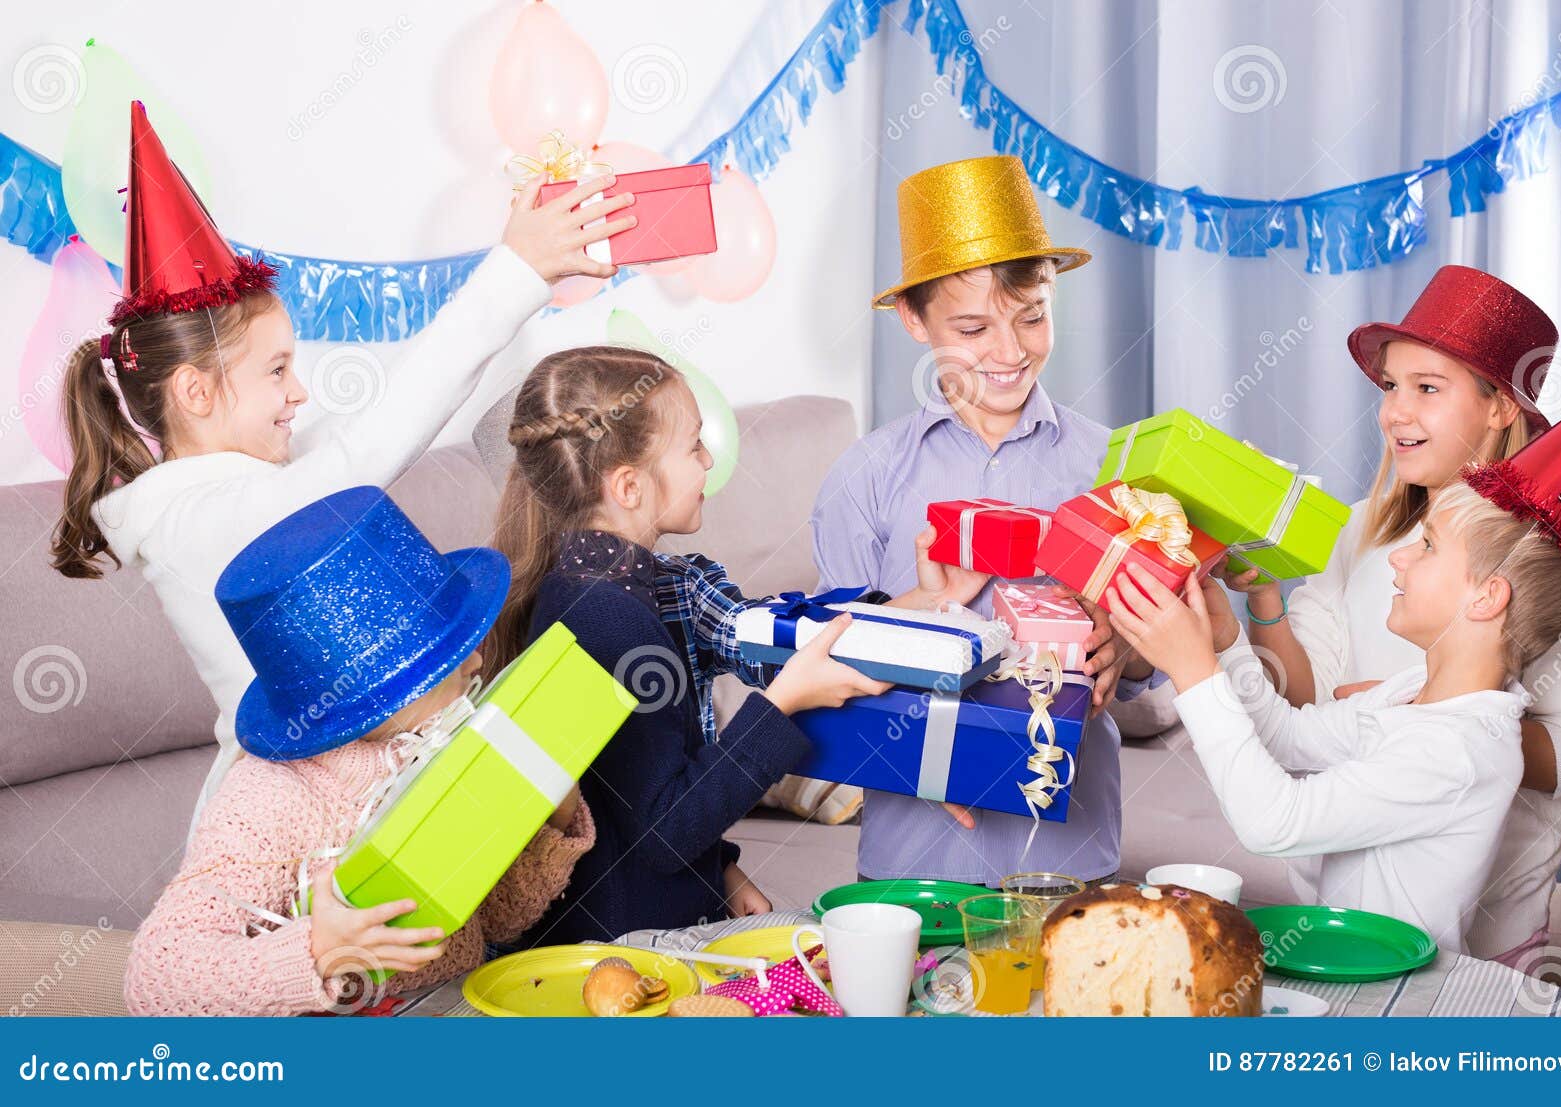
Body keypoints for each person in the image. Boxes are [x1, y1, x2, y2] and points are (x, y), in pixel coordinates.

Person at [50, 102, 634, 833]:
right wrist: (516, 272)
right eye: (277, 370)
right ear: (196, 392)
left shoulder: (256, 483)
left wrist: (518, 260)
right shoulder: (192, 522)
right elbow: (370, 448)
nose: (299, 391)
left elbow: (383, 409)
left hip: (362, 787)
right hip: (285, 821)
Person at [483, 346, 986, 942]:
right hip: (623, 950)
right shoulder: (606, 619)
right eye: (694, 445)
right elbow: (664, 829)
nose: (709, 460)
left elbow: (644, 785)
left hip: (659, 914)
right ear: (628, 485)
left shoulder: (638, 587)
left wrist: (721, 868)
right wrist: (781, 705)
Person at [1109, 397, 1561, 951]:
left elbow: (1274, 822)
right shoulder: (1412, 693)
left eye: (1428, 547)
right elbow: (1291, 739)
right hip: (1350, 962)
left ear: (1486, 598)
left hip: (1401, 1001)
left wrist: (1193, 672)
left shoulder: (1459, 750)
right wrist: (1225, 646)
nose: (1398, 557)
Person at [1222, 265, 1561, 963]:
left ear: (1499, 407)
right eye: (1391, 387)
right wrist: (1264, 600)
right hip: (1344, 909)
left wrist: (1431, 725)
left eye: (1427, 388)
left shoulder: (1548, 563)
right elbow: (1303, 705)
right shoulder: (1362, 531)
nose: (1396, 412)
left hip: (1487, 930)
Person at [809, 154, 1156, 887]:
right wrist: (938, 760)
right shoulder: (866, 478)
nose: (1008, 350)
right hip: (913, 864)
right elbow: (827, 678)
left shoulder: (1113, 469)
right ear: (912, 318)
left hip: (1071, 863)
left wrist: (1126, 644)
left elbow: (1154, 663)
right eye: (971, 327)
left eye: (1031, 317)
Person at [125, 488, 592, 1015]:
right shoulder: (273, 801)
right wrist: (317, 952)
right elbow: (154, 983)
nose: (478, 660)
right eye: (449, 654)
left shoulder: (435, 745)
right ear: (381, 692)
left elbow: (497, 922)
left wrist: (556, 813)